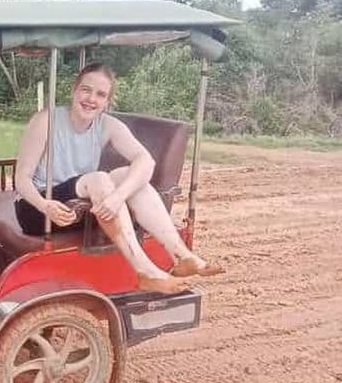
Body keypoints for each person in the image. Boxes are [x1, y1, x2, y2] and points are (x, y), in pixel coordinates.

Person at [15, 62, 223, 295]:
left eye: (100, 94)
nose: (91, 99)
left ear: (107, 101)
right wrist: (44, 205)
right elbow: (21, 178)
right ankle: (145, 271)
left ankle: (181, 255)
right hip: (38, 209)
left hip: (78, 209)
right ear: (74, 90)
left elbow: (146, 161)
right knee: (100, 179)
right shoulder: (46, 120)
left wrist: (117, 198)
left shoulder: (108, 125)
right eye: (86, 90)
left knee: (127, 176)